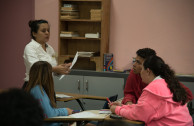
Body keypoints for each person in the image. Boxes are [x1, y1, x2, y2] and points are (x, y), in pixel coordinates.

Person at [110, 55, 193, 126]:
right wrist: (124, 106)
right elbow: (145, 108)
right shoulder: (168, 82)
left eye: (142, 69)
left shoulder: (154, 89)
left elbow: (139, 114)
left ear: (148, 71)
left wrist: (116, 110)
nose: (140, 72)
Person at [122, 48, 193, 105]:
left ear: (148, 68)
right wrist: (129, 103)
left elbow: (187, 94)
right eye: (135, 60)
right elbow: (129, 93)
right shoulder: (134, 73)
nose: (134, 65)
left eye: (138, 62)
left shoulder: (161, 80)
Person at [23, 19, 71, 88]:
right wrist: (55, 69)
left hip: (48, 86)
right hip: (34, 86)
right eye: (43, 31)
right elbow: (35, 67)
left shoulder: (50, 48)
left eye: (48, 30)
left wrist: (61, 68)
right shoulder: (30, 47)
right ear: (34, 33)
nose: (47, 33)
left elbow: (53, 68)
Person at [24, 61, 73, 126]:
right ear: (47, 75)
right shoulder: (37, 90)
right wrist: (66, 111)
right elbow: (49, 115)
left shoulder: (34, 88)